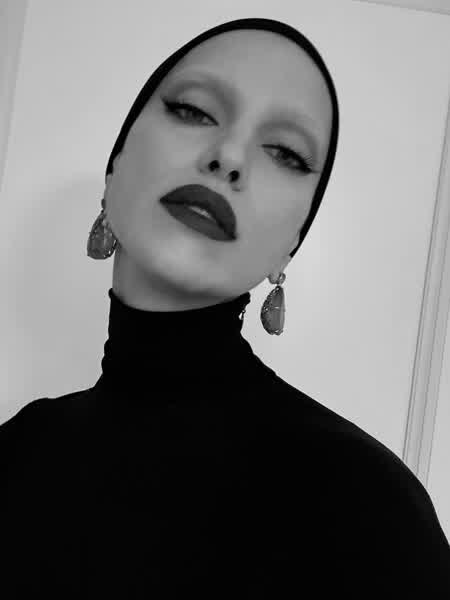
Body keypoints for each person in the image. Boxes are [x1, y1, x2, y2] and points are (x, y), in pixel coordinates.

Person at [1, 17, 450, 599]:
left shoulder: (369, 507)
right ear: (115, 167)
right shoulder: (21, 450)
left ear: (290, 244)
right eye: (193, 111)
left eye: (286, 153)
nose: (230, 156)